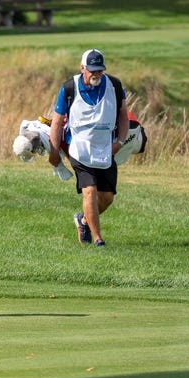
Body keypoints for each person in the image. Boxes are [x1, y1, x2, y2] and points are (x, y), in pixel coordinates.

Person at [48, 49, 131, 247]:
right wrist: (53, 152)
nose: (96, 74)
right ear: (82, 68)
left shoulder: (114, 85)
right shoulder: (69, 88)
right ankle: (97, 239)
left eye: (100, 70)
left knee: (107, 198)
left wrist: (119, 142)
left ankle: (83, 220)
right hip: (79, 148)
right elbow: (57, 122)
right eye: (92, 70)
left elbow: (123, 115)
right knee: (90, 191)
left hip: (106, 148)